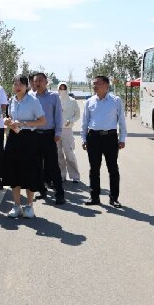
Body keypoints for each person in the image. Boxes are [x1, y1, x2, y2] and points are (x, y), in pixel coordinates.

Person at [3, 75, 46, 219]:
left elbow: (42, 121)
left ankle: (29, 206)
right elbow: (11, 118)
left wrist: (24, 123)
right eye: (15, 84)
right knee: (13, 171)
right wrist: (8, 121)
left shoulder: (33, 101)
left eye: (21, 84)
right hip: (14, 138)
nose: (17, 87)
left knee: (30, 172)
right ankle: (17, 206)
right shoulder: (12, 100)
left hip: (29, 139)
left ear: (26, 86)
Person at [81, 75, 127, 208]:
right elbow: (84, 122)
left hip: (110, 137)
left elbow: (122, 121)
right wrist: (83, 138)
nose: (94, 86)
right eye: (93, 84)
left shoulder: (116, 100)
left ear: (106, 85)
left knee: (113, 169)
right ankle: (94, 197)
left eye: (98, 83)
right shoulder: (89, 102)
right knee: (94, 169)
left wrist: (122, 138)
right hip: (93, 137)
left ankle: (114, 198)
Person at [32, 73, 66, 205]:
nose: (37, 83)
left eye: (40, 80)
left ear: (46, 82)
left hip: (49, 135)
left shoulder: (53, 96)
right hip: (34, 135)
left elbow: (58, 115)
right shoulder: (30, 97)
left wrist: (58, 132)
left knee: (53, 165)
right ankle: (42, 190)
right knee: (37, 165)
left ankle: (60, 194)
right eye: (35, 81)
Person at [57, 82, 81, 182]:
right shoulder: (55, 100)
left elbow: (77, 115)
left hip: (67, 130)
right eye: (60, 88)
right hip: (57, 130)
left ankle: (75, 176)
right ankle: (62, 175)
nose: (62, 90)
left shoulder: (72, 101)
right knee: (58, 154)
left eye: (64, 88)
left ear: (67, 89)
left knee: (69, 153)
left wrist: (71, 120)